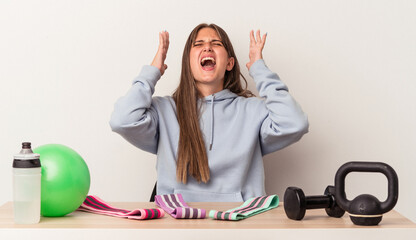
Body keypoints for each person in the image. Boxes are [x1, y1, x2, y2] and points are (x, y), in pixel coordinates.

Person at [110, 23, 308, 202]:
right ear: (188, 63)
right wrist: (153, 71)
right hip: (177, 224)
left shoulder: (253, 110)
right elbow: (122, 120)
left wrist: (259, 69)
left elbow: (295, 123)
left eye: (216, 43)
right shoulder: (165, 110)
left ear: (229, 63)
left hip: (242, 223)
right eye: (198, 44)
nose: (207, 47)